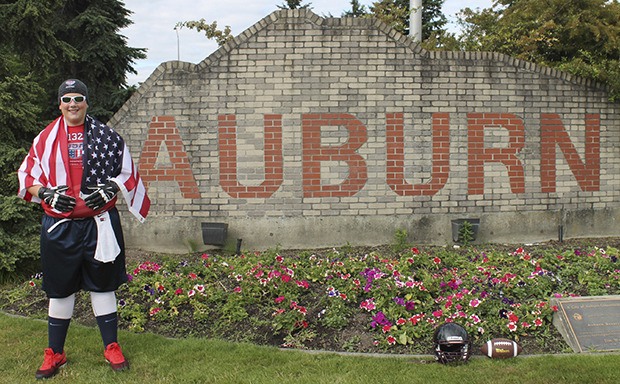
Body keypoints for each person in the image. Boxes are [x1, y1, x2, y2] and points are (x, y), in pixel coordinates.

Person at [17, 79, 150, 379]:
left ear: (87, 101)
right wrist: (45, 193)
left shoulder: (107, 137)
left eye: (78, 98)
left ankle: (111, 346)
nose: (72, 103)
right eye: (67, 99)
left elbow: (127, 172)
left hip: (98, 224)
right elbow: (26, 177)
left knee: (103, 285)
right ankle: (55, 353)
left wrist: (111, 187)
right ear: (60, 103)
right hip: (60, 227)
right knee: (60, 290)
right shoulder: (44, 139)